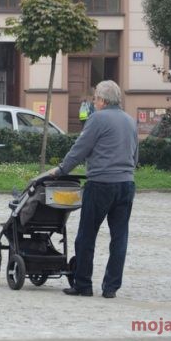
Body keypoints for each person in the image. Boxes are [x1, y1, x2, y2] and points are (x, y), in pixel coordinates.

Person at [48, 80, 138, 299]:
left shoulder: (97, 119)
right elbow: (135, 155)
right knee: (120, 237)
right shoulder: (130, 120)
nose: (94, 102)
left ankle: (83, 284)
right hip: (126, 184)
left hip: (101, 184)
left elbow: (80, 148)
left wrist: (61, 169)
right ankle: (111, 287)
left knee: (86, 235)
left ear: (103, 101)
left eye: (96, 98)